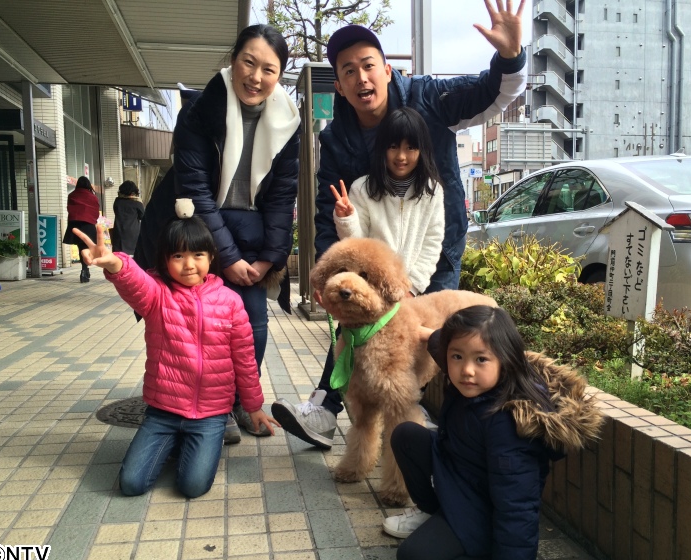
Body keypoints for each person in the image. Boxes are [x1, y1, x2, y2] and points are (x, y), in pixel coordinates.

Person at [272, 0, 527, 448]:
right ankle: (330, 409)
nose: (361, 77)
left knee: (441, 348)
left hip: (435, 259)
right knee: (357, 335)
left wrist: (509, 57)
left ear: (387, 71)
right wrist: (328, 274)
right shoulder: (337, 139)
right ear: (340, 86)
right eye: (348, 71)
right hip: (374, 271)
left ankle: (446, 434)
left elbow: (490, 94)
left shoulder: (427, 98)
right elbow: (328, 210)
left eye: (368, 65)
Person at [133, 24, 301, 444]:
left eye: (269, 69)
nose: (256, 77)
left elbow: (283, 195)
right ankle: (213, 408)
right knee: (198, 324)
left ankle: (243, 402)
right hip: (198, 231)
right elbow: (195, 191)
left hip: (253, 236)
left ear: (280, 75)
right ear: (233, 60)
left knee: (253, 322)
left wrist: (269, 258)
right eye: (248, 62)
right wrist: (228, 258)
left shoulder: (288, 122)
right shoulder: (200, 111)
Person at [73, 199, 279, 498]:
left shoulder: (231, 302)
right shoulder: (157, 294)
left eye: (198, 254)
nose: (189, 264)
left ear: (211, 257)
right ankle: (173, 442)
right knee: (131, 484)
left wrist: (253, 406)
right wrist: (114, 263)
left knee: (192, 486)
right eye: (178, 255)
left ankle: (188, 444)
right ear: (165, 259)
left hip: (211, 414)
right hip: (163, 412)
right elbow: (134, 281)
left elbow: (245, 359)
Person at [386, 306, 598, 560]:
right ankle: (434, 511)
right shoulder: (477, 379)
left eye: (481, 360)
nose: (467, 370)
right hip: (458, 477)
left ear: (505, 359)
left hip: (481, 511)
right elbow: (445, 342)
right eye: (457, 357)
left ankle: (481, 555)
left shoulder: (507, 426)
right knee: (407, 435)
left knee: (412, 558)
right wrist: (419, 331)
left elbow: (517, 508)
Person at [331, 107, 444, 296]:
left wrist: (411, 288)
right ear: (382, 148)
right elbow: (356, 246)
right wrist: (346, 219)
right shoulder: (362, 188)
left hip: (410, 291)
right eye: (393, 146)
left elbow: (432, 243)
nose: (401, 156)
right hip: (369, 291)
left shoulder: (432, 191)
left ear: (422, 150)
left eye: (410, 148)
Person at [63, 176, 100, 283]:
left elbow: (70, 209)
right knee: (86, 246)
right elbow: (95, 211)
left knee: (80, 246)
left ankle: (84, 269)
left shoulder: (72, 195)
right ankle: (85, 268)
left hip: (75, 224)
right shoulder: (92, 197)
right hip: (88, 224)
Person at [111, 180, 144, 255]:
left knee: (119, 255)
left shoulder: (117, 202)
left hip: (119, 231)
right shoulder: (137, 203)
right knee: (133, 255)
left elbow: (116, 212)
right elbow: (142, 216)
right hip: (133, 233)